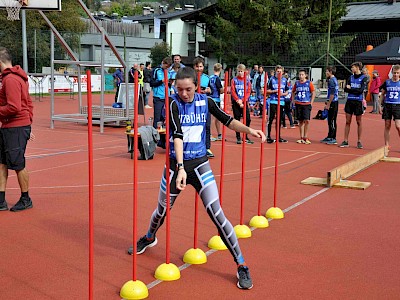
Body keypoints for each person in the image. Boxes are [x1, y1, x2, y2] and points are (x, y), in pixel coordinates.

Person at [127, 67, 266, 290]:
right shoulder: (172, 104)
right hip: (175, 167)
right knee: (162, 210)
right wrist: (180, 167)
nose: (184, 94)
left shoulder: (206, 101)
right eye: (179, 89)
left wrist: (249, 130)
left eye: (188, 89)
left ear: (196, 86)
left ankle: (241, 264)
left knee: (217, 214)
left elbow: (227, 120)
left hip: (200, 165)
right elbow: (178, 135)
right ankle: (150, 236)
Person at [0, 47, 34, 212]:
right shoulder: (13, 78)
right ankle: (1, 200)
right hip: (11, 126)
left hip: (15, 127)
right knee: (2, 163)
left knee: (18, 164)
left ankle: (26, 198)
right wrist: (29, 123)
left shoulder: (11, 80)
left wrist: (26, 124)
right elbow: (28, 103)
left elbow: (14, 107)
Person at [339, 61, 367, 149]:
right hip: (349, 101)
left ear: (358, 68)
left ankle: (359, 141)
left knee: (358, 122)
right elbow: (345, 89)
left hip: (358, 102)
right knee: (347, 121)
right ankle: (345, 140)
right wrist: (353, 90)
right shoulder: (350, 77)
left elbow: (360, 91)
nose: (352, 69)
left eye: (353, 67)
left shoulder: (363, 78)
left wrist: (351, 89)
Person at [193, 57, 214, 158]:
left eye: (200, 66)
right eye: (197, 66)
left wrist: (208, 91)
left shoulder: (207, 78)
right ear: (194, 67)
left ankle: (207, 147)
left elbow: (213, 91)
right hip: (192, 105)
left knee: (207, 126)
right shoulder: (190, 77)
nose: (199, 68)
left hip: (204, 105)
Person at [150, 57, 172, 148]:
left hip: (167, 97)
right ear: (163, 63)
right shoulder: (156, 71)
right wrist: (161, 81)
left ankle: (163, 141)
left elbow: (170, 84)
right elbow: (152, 83)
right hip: (158, 97)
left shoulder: (170, 72)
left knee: (165, 118)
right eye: (165, 66)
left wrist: (170, 83)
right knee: (157, 117)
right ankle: (154, 139)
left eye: (168, 67)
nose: (166, 68)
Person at [231, 64, 253, 144]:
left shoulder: (247, 81)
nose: (240, 73)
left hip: (244, 102)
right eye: (239, 71)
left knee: (247, 118)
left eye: (242, 71)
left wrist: (243, 100)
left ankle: (245, 135)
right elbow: (233, 91)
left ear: (245, 72)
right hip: (236, 102)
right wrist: (238, 100)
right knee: (237, 119)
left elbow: (248, 92)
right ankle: (238, 137)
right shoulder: (234, 80)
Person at [379, 64, 400, 149]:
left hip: (398, 105)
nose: (395, 75)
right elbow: (382, 94)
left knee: (398, 126)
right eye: (394, 73)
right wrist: (380, 105)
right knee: (387, 125)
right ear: (392, 72)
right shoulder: (387, 82)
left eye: (397, 73)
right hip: (388, 105)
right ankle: (386, 145)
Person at [291, 69, 316, 144]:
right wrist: (293, 101)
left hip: (306, 104)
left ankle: (306, 136)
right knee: (300, 121)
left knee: (307, 120)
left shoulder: (309, 83)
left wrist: (311, 103)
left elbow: (313, 92)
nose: (301, 76)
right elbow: (293, 92)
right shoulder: (297, 83)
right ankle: (301, 137)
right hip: (298, 103)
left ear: (305, 75)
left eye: (302, 74)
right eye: (300, 75)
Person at [266, 65, 289, 143]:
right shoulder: (271, 79)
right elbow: (267, 90)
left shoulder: (285, 80)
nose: (279, 73)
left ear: (282, 72)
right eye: (277, 71)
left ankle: (278, 136)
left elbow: (287, 91)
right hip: (273, 101)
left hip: (281, 102)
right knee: (271, 119)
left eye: (280, 71)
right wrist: (274, 91)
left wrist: (283, 94)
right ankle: (268, 136)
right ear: (275, 71)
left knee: (279, 120)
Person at [321, 66, 340, 145]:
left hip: (333, 102)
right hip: (333, 101)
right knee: (330, 120)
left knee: (331, 120)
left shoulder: (331, 81)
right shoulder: (334, 79)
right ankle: (329, 136)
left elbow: (332, 94)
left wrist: (328, 104)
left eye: (327, 71)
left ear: (331, 72)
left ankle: (333, 137)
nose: (326, 73)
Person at [209, 63, 224, 141]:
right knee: (216, 118)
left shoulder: (210, 77)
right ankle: (212, 134)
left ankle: (218, 134)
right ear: (220, 69)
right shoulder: (217, 78)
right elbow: (221, 91)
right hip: (216, 99)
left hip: (210, 98)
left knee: (213, 118)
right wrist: (223, 89)